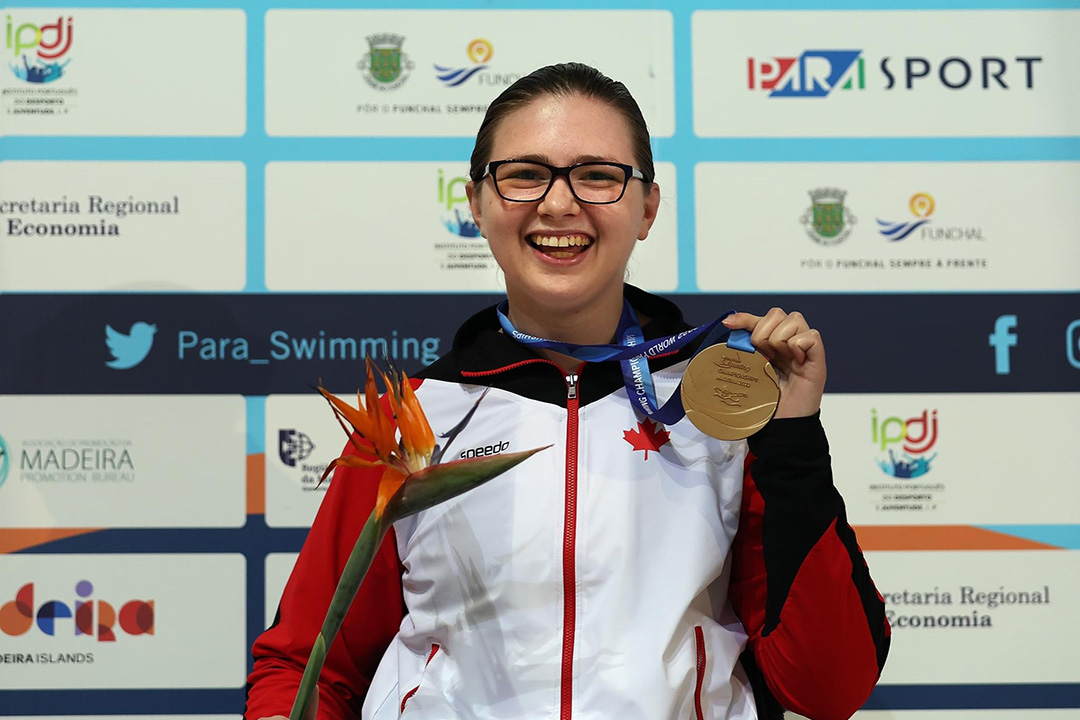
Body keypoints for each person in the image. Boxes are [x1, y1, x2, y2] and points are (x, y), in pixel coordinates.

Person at [246, 63, 890, 720]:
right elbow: (307, 667)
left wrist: (792, 438)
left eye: (598, 176)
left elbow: (826, 687)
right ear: (476, 204)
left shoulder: (721, 412)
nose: (559, 204)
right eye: (525, 174)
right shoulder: (410, 420)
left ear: (647, 208)